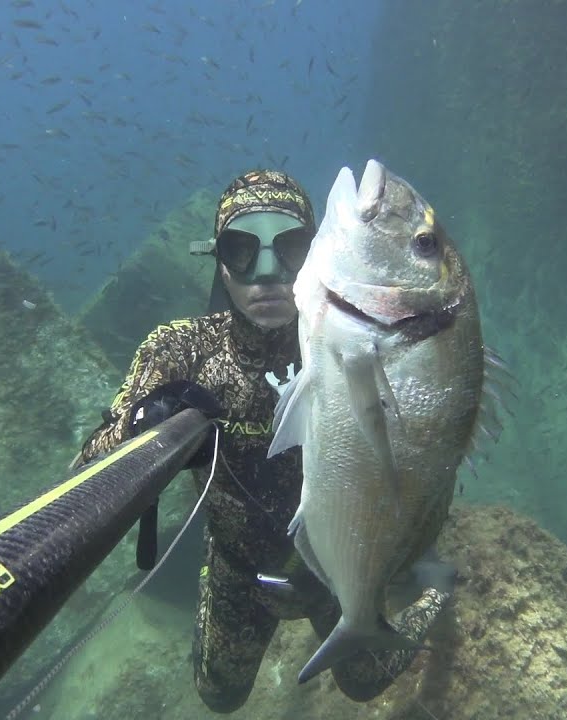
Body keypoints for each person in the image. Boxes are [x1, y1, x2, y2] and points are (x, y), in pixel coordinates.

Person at [73, 170, 450, 712]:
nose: (267, 275)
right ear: (218, 260)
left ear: (321, 251)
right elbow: (86, 471)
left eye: (292, 247)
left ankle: (437, 586)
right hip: (236, 567)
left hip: (339, 555)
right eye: (241, 250)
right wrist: (145, 430)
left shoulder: (351, 336)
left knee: (363, 679)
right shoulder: (181, 348)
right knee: (219, 695)